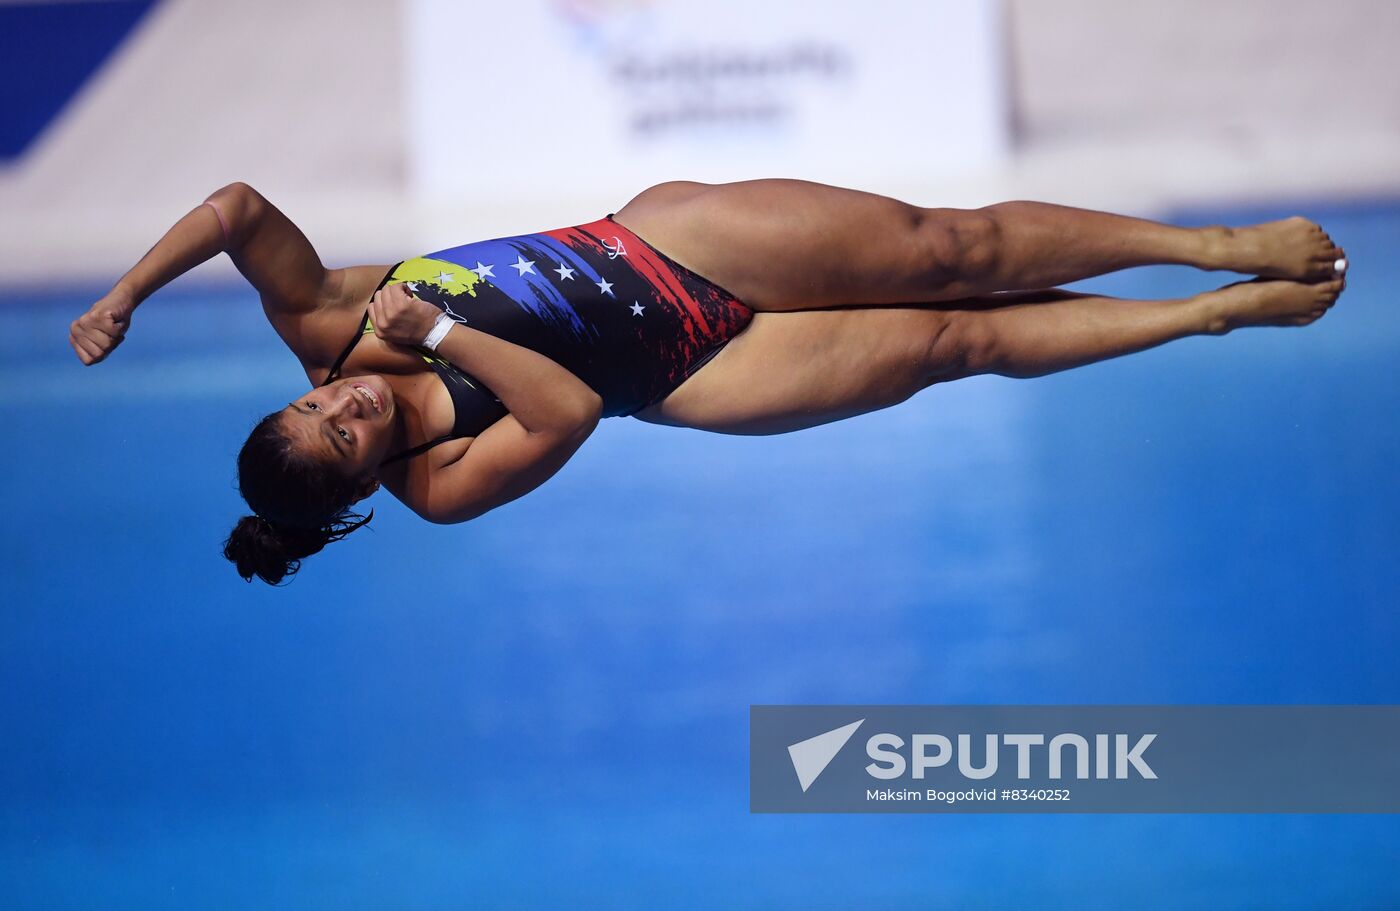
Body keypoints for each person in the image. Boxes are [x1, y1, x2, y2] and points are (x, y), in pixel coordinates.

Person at [69, 179, 1347, 584]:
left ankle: (1207, 244)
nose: (344, 406)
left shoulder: (324, 321)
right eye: (344, 438)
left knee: (949, 253)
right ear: (359, 486)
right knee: (958, 346)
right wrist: (445, 340)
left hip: (664, 247)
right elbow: (565, 411)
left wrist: (127, 293)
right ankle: (1206, 316)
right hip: (688, 371)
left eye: (312, 403)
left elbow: (237, 206)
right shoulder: (438, 487)